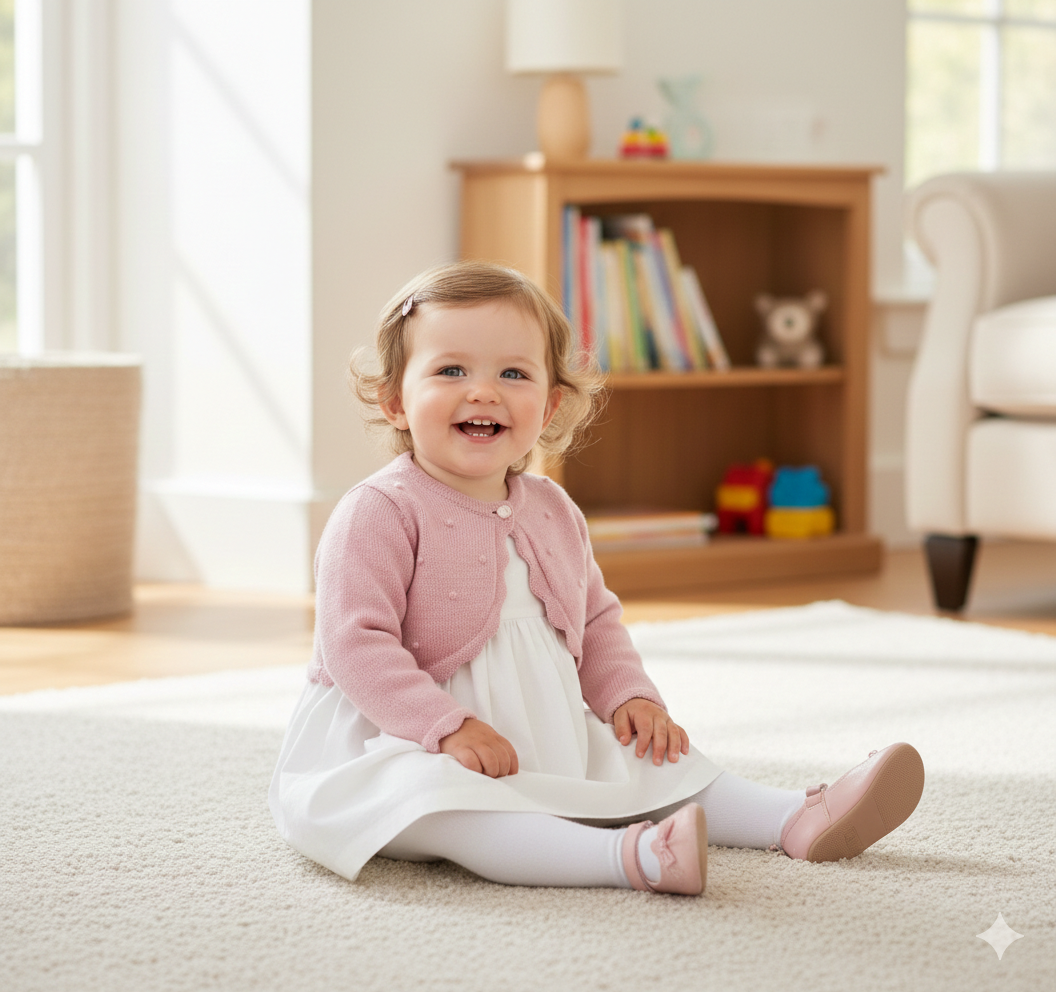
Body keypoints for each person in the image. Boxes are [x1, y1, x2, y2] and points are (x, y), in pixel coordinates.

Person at [269, 261, 925, 895]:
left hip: (540, 728)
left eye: (513, 373)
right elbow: (358, 647)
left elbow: (596, 620)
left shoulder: (553, 508)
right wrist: (446, 726)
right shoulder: (379, 511)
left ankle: (791, 817)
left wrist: (631, 699)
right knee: (442, 803)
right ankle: (629, 856)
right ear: (394, 401)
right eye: (451, 370)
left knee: (652, 761)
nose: (484, 391)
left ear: (549, 404)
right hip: (404, 739)